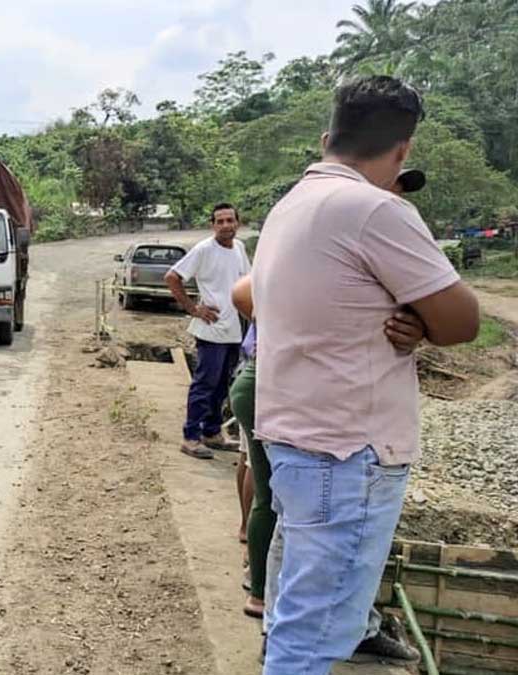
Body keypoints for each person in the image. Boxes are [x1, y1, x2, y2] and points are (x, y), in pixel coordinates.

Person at [252, 76, 479, 674]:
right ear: (403, 150)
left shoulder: (290, 205)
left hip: (298, 441)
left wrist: (400, 316)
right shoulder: (376, 208)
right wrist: (425, 322)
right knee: (317, 635)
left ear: (329, 137)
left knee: (293, 618)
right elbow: (463, 321)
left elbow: (262, 296)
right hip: (350, 453)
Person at [165, 203, 251, 460]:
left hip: (234, 329)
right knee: (204, 384)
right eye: (220, 221)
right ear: (212, 225)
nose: (225, 225)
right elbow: (172, 277)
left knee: (222, 385)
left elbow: (247, 281)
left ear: (238, 222)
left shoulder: (239, 249)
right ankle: (191, 437)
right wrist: (193, 308)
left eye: (229, 220)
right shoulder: (204, 250)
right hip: (211, 330)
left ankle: (212, 432)